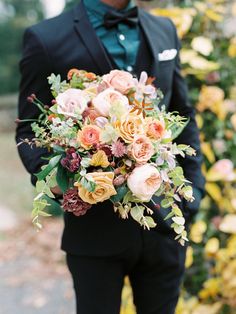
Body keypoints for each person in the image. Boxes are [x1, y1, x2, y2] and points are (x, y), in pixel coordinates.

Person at [16, 0, 205, 313]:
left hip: (165, 228)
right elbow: (27, 133)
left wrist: (193, 192)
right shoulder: (46, 38)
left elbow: (182, 112)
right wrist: (61, 184)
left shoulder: (164, 30)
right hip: (94, 233)